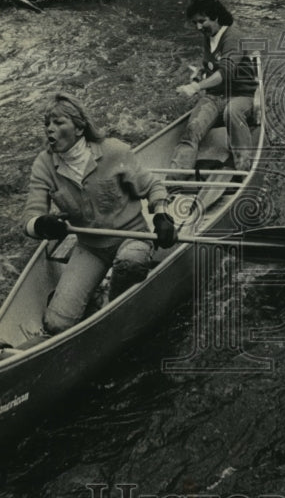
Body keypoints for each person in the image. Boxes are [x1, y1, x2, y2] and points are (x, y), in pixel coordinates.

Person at [20, 93, 176, 336]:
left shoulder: (114, 151)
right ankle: (101, 295)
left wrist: (161, 216)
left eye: (58, 123)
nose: (49, 130)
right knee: (56, 325)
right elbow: (30, 218)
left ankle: (111, 308)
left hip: (132, 238)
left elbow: (153, 187)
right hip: (90, 247)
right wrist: (42, 224)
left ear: (79, 128)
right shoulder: (44, 164)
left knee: (131, 260)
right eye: (47, 124)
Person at [169, 0, 259, 178]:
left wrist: (196, 88)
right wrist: (197, 78)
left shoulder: (233, 37)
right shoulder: (208, 36)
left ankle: (243, 167)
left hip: (241, 94)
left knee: (232, 112)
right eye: (195, 23)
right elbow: (208, 67)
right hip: (215, 96)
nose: (198, 27)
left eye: (202, 21)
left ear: (216, 17)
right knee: (193, 129)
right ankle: (175, 177)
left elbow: (223, 73)